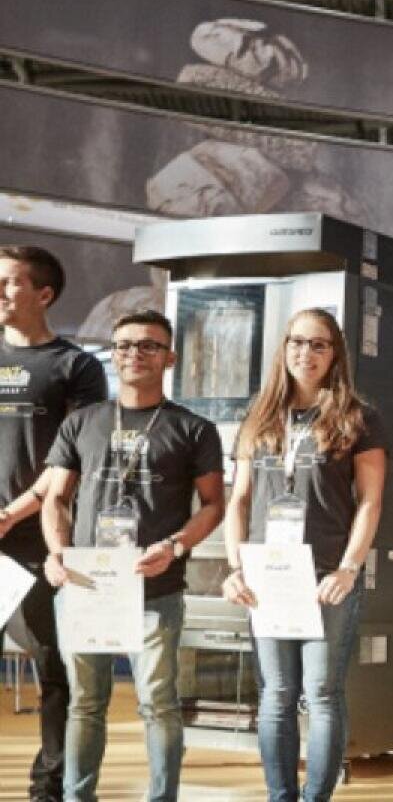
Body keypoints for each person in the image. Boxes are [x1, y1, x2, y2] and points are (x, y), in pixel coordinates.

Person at [40, 310, 225, 802]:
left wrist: (176, 546)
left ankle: (161, 797)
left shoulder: (193, 429)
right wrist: (57, 553)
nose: (133, 354)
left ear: (170, 356)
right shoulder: (82, 422)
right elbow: (56, 498)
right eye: (124, 345)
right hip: (85, 587)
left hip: (154, 589)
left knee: (158, 704)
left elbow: (214, 505)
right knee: (85, 704)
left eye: (147, 345)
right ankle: (78, 797)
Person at [220, 309, 385, 802]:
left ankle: (316, 797)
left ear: (335, 354)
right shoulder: (260, 415)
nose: (305, 353)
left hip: (325, 577)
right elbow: (240, 499)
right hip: (267, 577)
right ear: (283, 348)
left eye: (318, 344)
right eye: (296, 342)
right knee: (275, 696)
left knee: (323, 693)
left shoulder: (358, 417)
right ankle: (280, 796)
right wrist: (234, 568)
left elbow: (371, 501)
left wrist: (349, 568)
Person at [0, 244, 107, 801]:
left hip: (38, 541)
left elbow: (71, 459)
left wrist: (14, 512)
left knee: (54, 667)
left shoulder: (78, 367)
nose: (0, 291)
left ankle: (50, 785)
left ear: (44, 295)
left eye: (11, 282)